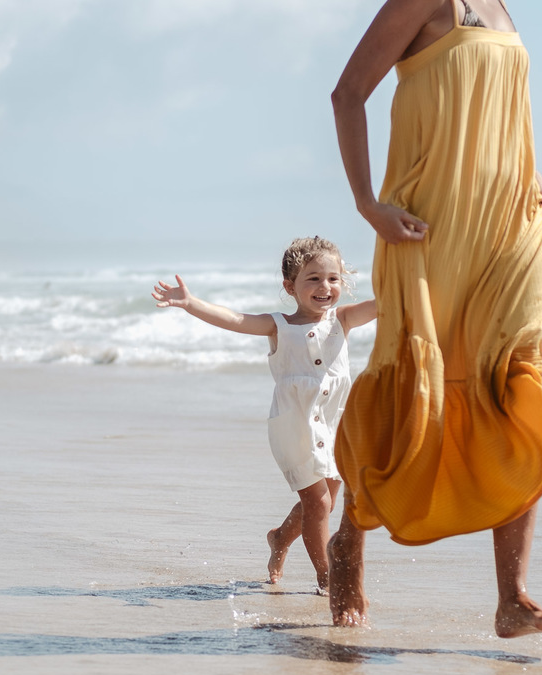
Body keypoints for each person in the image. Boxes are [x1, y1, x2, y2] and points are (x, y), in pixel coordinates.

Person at [327, 0, 542, 634]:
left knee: (514, 387)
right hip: (430, 228)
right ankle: (349, 538)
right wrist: (367, 204)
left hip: (511, 230)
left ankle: (512, 598)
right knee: (414, 391)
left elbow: (503, 115)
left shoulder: (502, 6)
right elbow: (349, 93)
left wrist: (535, 177)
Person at [153, 237, 376, 590]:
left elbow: (388, 302)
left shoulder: (343, 319)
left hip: (336, 426)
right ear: (290, 286)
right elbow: (235, 320)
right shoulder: (279, 326)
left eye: (333, 278)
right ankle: (327, 578)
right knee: (318, 503)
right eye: (313, 278)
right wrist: (191, 304)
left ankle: (279, 539)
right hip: (294, 427)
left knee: (325, 503)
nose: (325, 287)